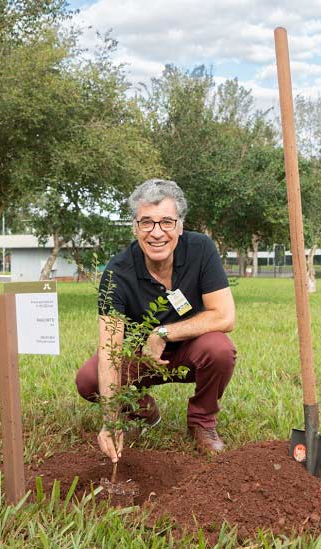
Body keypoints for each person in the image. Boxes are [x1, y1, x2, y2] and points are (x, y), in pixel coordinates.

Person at [75, 179, 237, 462]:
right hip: (142, 358)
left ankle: (202, 420)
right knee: (89, 380)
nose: (157, 233)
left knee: (220, 349)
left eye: (166, 222)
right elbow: (109, 352)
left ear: (180, 226)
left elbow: (225, 315)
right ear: (135, 227)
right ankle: (141, 410)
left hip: (191, 350)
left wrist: (163, 333)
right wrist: (111, 421)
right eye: (147, 222)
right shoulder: (117, 273)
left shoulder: (201, 249)